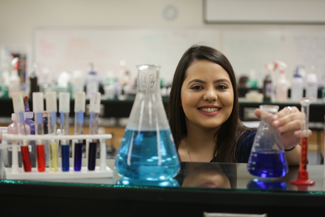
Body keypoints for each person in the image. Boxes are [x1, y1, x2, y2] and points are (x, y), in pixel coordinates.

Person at [168, 45, 310, 165]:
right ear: (178, 96)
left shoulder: (248, 144)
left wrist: (285, 145)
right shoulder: (160, 149)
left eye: (222, 86)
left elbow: (294, 162)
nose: (211, 96)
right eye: (197, 87)